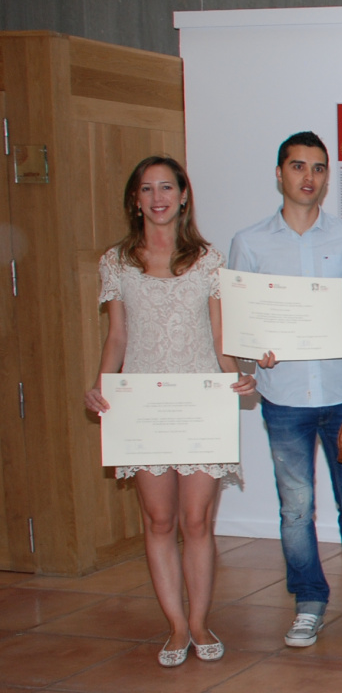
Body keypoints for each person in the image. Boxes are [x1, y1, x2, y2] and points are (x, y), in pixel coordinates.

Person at [228, 132, 342, 647]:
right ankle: (308, 601)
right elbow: (240, 320)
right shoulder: (250, 242)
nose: (309, 177)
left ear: (327, 177)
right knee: (296, 507)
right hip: (282, 396)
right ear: (279, 173)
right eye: (298, 166)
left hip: (340, 393)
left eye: (319, 168)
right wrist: (249, 351)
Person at [85, 156, 257, 666]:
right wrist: (99, 385)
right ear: (135, 200)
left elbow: (220, 337)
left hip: (201, 402)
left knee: (196, 520)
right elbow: (117, 335)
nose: (157, 197)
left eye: (166, 187)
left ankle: (202, 620)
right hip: (143, 405)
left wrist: (239, 375)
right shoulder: (115, 261)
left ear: (183, 196)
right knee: (159, 521)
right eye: (146, 189)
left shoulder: (208, 259)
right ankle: (177, 626)